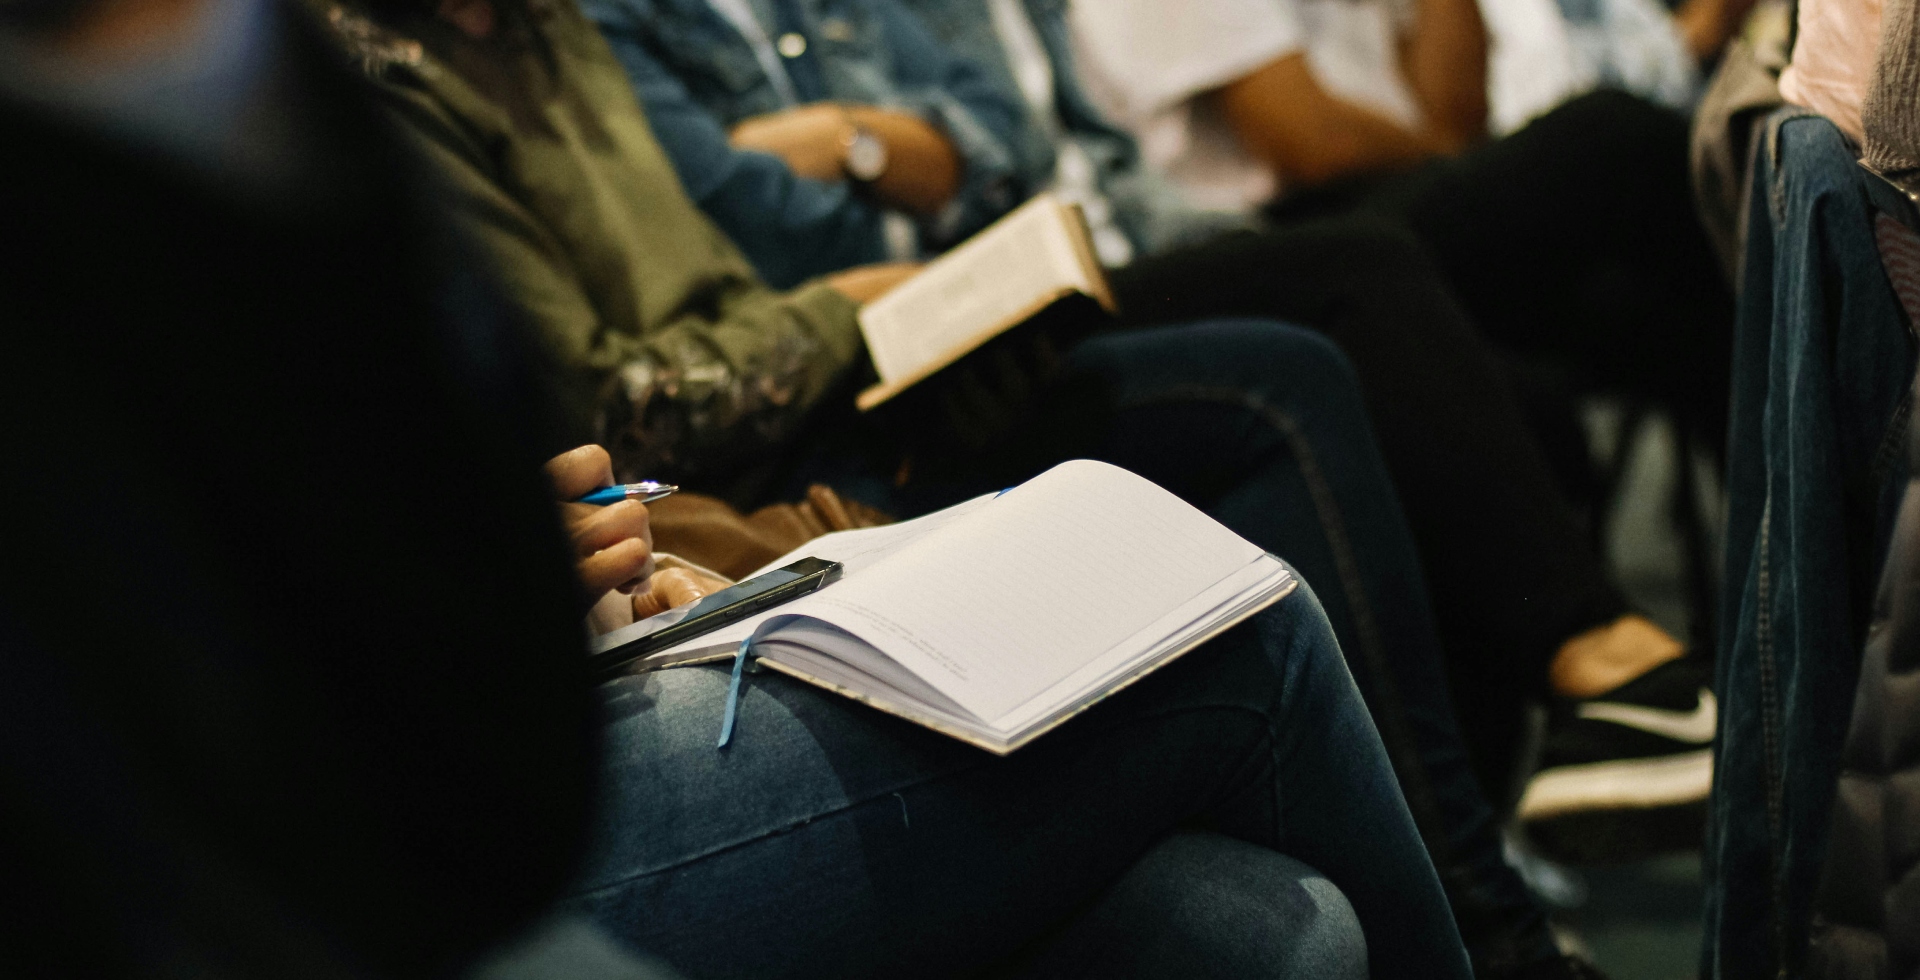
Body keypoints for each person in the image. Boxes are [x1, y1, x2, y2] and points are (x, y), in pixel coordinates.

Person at [2, 0, 1472, 977]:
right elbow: (412, 780)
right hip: (337, 853)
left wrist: (547, 568)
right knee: (1240, 625)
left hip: (549, 678)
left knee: (1279, 931)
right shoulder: (270, 97)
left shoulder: (533, 41)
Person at [587, 0, 1711, 884]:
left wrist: (856, 145)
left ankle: (1546, 785)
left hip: (1064, 269)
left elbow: (999, 143)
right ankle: (1592, 695)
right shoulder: (613, 25)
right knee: (1383, 279)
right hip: (891, 349)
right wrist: (898, 163)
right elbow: (753, 212)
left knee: (1525, 373)